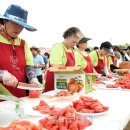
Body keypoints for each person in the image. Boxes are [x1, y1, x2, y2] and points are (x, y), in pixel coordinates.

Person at [0, 4, 42, 97]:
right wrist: (1, 73)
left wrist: (33, 79)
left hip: (20, 96)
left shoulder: (24, 44)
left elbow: (28, 67)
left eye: (21, 25)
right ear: (4, 21)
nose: (18, 28)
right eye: (14, 23)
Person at [44, 27, 83, 92]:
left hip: (66, 81)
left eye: (76, 43)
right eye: (73, 42)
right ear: (67, 37)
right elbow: (56, 66)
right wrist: (73, 70)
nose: (74, 45)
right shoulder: (58, 47)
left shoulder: (71, 50)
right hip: (55, 81)